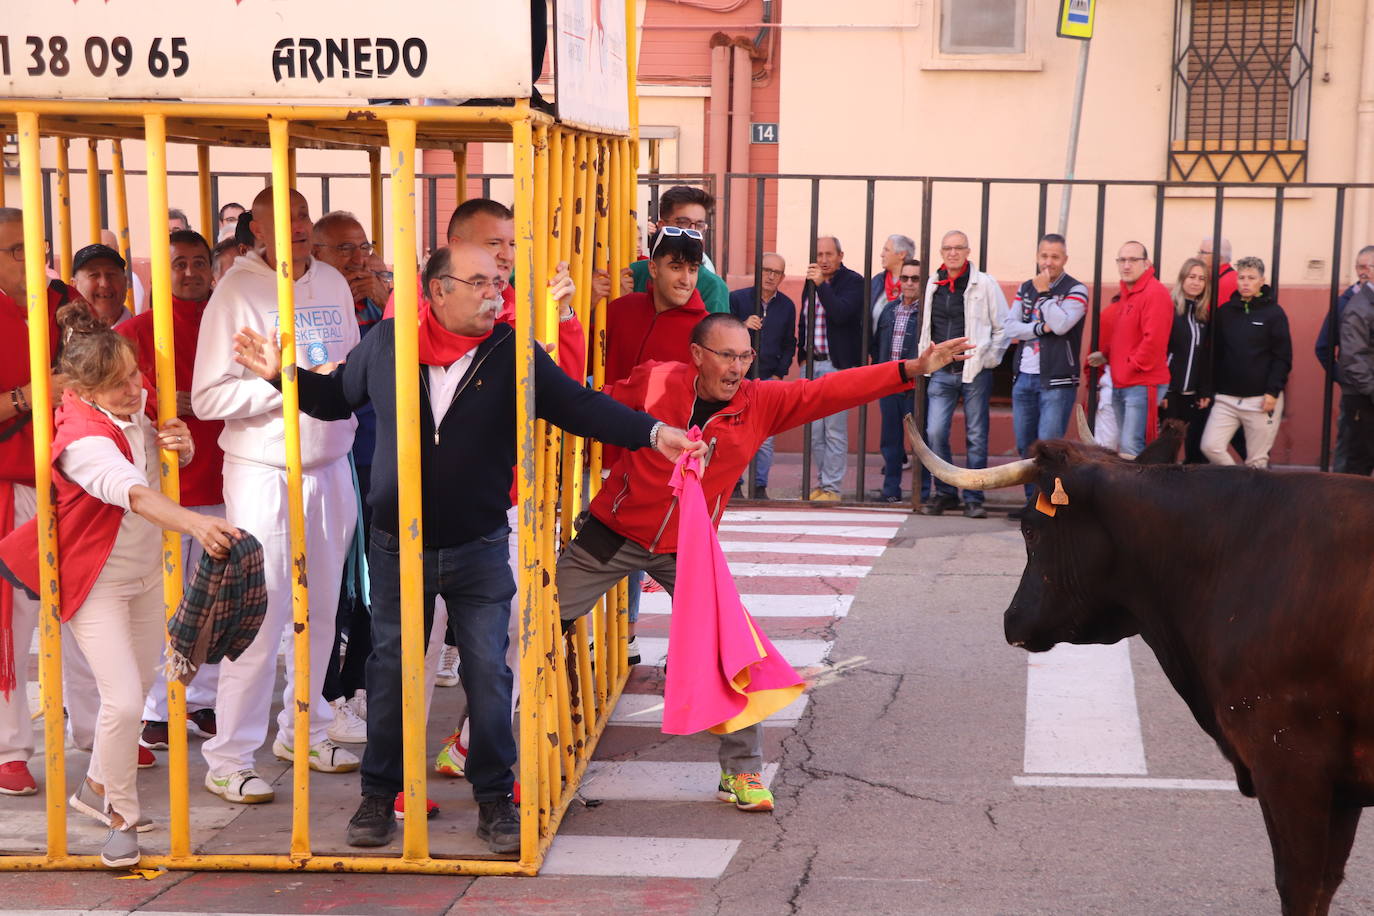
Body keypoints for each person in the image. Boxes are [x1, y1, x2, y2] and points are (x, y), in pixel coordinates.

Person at [230, 241, 703, 853]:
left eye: (498, 281)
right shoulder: (388, 344)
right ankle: (379, 796)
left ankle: (494, 801)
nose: (494, 293)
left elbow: (577, 406)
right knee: (391, 672)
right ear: (437, 290)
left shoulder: (510, 353)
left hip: (479, 544)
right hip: (398, 545)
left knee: (488, 673)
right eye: (479, 281)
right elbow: (331, 399)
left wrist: (652, 431)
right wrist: (279, 373)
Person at [557, 312, 973, 811]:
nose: (737, 368)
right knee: (535, 626)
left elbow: (829, 391)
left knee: (733, 649)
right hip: (613, 530)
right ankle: (475, 739)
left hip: (687, 548)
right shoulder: (657, 379)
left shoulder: (760, 404)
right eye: (726, 355)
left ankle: (742, 772)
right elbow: (586, 404)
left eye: (745, 356)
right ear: (697, 356)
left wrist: (909, 368)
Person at [0, 302, 237, 868]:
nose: (135, 388)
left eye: (135, 374)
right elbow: (134, 491)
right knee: (125, 701)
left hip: (147, 574)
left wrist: (179, 442)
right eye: (119, 382)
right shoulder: (80, 438)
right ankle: (121, 819)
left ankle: (93, 790)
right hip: (97, 583)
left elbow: (156, 462)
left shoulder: (132, 407)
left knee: (133, 693)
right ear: (81, 389)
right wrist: (198, 523)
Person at [191, 186, 361, 805]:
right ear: (253, 228)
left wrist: (317, 387)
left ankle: (305, 726)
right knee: (258, 616)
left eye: (300, 214)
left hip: (330, 464)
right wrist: (282, 386)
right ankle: (230, 755)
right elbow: (208, 398)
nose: (292, 226)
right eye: (278, 218)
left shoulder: (335, 285)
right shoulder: (237, 291)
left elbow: (344, 373)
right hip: (264, 468)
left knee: (319, 609)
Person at [115, 230, 226, 749]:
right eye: (178, 264)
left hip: (222, 471)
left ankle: (202, 697)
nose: (189, 273)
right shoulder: (136, 328)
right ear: (162, 271)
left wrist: (200, 400)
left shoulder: (227, 318)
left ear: (211, 268)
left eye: (199, 263)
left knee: (210, 600)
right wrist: (173, 400)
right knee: (164, 599)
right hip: (162, 481)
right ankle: (159, 706)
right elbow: (125, 391)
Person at [0, 206, 77, 797]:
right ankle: (10, 748)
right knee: (11, 624)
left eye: (35, 247)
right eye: (14, 250)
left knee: (84, 609)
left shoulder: (61, 301)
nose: (30, 259)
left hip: (69, 477)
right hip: (9, 483)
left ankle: (100, 732)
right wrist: (30, 393)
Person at [308, 210, 388, 745]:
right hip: (340, 459)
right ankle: (334, 695)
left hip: (383, 457)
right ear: (314, 255)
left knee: (374, 583)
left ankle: (355, 687)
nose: (357, 260)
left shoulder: (381, 308)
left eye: (362, 247)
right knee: (343, 588)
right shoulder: (316, 310)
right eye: (343, 250)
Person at [918, 230, 1007, 518]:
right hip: (942, 370)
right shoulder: (933, 283)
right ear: (941, 253)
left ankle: (973, 496)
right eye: (947, 248)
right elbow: (926, 327)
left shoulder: (984, 284)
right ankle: (945, 493)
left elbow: (1002, 327)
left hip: (974, 370)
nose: (953, 253)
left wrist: (988, 358)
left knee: (976, 435)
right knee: (934, 431)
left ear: (968, 252)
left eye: (958, 248)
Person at [1005, 234, 1087, 512]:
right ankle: (1033, 504)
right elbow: (1009, 327)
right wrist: (1039, 329)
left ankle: (1047, 507)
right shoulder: (1025, 287)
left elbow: (1062, 324)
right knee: (1025, 447)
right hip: (1024, 377)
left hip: (1057, 380)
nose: (1048, 262)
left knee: (1049, 450)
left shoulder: (1076, 289)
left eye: (1055, 257)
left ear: (1065, 259)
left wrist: (1045, 295)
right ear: (1037, 257)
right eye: (1044, 256)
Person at [1200, 256, 1292, 468]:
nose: (1245, 282)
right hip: (1226, 399)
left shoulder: (1274, 314)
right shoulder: (1225, 312)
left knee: (1257, 461)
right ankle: (1239, 482)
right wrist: (1208, 390)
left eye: (1251, 278)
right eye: (1241, 277)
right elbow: (1214, 354)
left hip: (1261, 400)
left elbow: (1283, 357)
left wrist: (1272, 391)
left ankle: (1255, 499)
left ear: (1262, 280)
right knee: (1210, 446)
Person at [797, 235, 865, 502]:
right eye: (819, 255)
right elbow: (804, 321)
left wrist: (821, 285)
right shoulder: (810, 282)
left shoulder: (854, 282)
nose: (823, 260)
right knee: (814, 431)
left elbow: (841, 313)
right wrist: (801, 356)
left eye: (829, 254)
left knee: (834, 430)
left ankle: (833, 488)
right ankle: (821, 484)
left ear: (840, 256)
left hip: (837, 365)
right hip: (811, 365)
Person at [1096, 241, 1172, 458]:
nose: (1126, 265)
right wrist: (1107, 354)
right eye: (1122, 260)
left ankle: (1142, 493)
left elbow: (1154, 341)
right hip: (1123, 381)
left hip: (1141, 381)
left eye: (1133, 260)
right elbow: (1124, 337)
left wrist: (1130, 367)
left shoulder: (1154, 292)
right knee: (1126, 445)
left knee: (1133, 446)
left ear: (1146, 263)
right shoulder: (1129, 293)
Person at [729, 252, 795, 498]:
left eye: (775, 272)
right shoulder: (737, 299)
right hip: (738, 376)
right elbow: (721, 330)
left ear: (782, 277)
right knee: (735, 431)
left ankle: (759, 486)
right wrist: (742, 326)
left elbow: (790, 343)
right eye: (766, 270)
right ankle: (734, 485)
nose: (770, 276)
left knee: (765, 436)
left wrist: (780, 373)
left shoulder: (787, 305)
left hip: (768, 377)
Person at [871, 259, 927, 503]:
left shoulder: (926, 313)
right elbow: (877, 344)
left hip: (916, 385)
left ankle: (922, 492)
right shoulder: (889, 310)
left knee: (921, 440)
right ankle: (891, 490)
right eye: (905, 278)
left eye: (915, 279)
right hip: (890, 382)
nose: (909, 283)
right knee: (890, 440)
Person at [1314, 245, 1374, 472]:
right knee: (1351, 451)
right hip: (1357, 391)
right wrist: (1345, 377)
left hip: (1365, 386)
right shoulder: (1345, 303)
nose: (1363, 271)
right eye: (1360, 266)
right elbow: (1323, 347)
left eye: (1368, 266)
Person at [625, 186, 730, 313]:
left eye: (699, 225)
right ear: (661, 227)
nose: (692, 231)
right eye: (682, 223)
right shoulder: (634, 273)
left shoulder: (713, 287)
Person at [1160, 258, 1213, 464]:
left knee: (1194, 448)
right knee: (1166, 447)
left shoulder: (1202, 316)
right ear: (1182, 279)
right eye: (1191, 277)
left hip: (1191, 395)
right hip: (1170, 392)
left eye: (1201, 279)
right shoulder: (1170, 309)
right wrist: (1162, 388)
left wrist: (1203, 390)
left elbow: (1203, 357)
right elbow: (1161, 350)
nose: (1196, 282)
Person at [1336, 271, 1374, 475]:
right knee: (1359, 463)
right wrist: (1371, 388)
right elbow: (1353, 356)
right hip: (1362, 397)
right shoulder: (1360, 307)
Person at [73, 243, 133, 328]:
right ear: (74, 285)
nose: (104, 284)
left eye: (111, 274)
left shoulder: (150, 334)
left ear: (125, 282)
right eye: (94, 275)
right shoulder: (62, 336)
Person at [872, 234, 916, 326]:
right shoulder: (877, 281)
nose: (882, 255)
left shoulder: (918, 283)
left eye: (886, 250)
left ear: (901, 254)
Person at [1197, 236, 1237, 306]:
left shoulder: (1226, 283)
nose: (1198, 256)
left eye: (1203, 252)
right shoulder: (1218, 277)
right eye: (1200, 252)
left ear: (1218, 257)